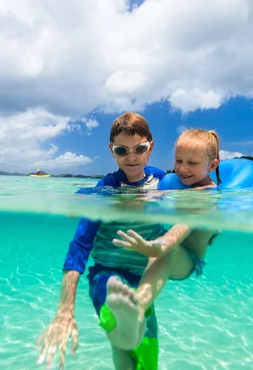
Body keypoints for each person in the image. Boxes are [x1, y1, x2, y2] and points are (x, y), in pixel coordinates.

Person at [36, 112, 190, 370]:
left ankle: (131, 319)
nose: (131, 157)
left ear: (150, 147)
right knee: (125, 333)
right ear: (112, 151)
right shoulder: (104, 190)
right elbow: (79, 247)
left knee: (147, 360)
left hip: (144, 281)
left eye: (139, 149)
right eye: (122, 150)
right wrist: (64, 311)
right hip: (106, 277)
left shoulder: (164, 183)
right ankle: (128, 320)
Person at [107, 129, 223, 352]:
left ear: (212, 165)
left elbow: (183, 226)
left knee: (166, 251)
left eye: (192, 162)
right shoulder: (176, 184)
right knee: (163, 252)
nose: (182, 168)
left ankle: (137, 307)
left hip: (188, 260)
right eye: (178, 160)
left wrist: (158, 245)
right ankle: (132, 321)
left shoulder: (207, 193)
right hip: (167, 251)